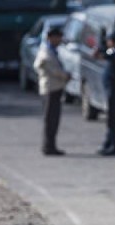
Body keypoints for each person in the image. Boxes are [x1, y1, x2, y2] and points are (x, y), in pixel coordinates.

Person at [34, 27, 70, 156]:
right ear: (50, 38)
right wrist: (65, 76)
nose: (59, 40)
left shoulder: (52, 50)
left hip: (55, 87)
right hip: (50, 88)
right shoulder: (46, 52)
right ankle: (48, 146)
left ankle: (51, 145)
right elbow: (50, 68)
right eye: (57, 37)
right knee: (50, 119)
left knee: (54, 119)